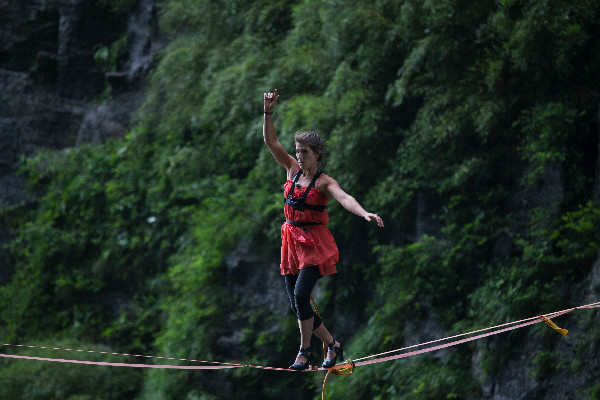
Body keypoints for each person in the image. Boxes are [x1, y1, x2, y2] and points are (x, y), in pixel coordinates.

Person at [262, 89, 384, 370]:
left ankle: (305, 353)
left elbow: (345, 198)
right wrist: (268, 111)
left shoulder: (324, 182)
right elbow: (270, 141)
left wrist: (364, 212)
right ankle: (333, 345)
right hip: (292, 241)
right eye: (297, 152)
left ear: (317, 153)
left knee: (302, 296)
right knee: (296, 304)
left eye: (304, 152)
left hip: (315, 245)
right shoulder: (291, 170)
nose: (300, 157)